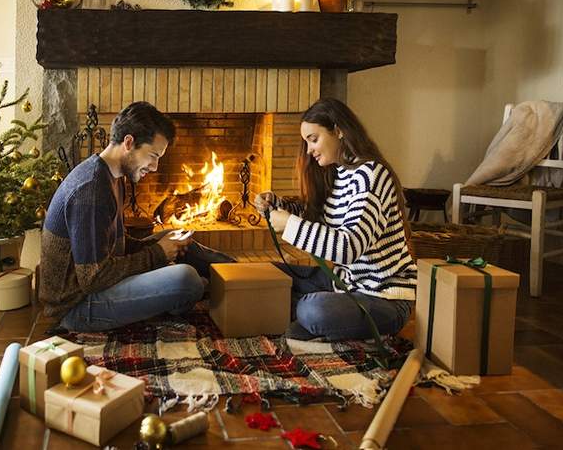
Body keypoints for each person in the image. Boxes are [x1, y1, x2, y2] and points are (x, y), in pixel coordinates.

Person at [40, 101, 231, 332]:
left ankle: (240, 277)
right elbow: (93, 278)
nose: (155, 167)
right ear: (129, 142)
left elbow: (114, 245)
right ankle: (195, 291)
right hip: (77, 307)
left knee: (174, 236)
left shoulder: (111, 175)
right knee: (186, 279)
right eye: (153, 155)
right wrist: (158, 253)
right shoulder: (91, 189)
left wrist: (159, 245)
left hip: (95, 288)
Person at [255, 99, 416, 341]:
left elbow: (348, 248)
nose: (308, 150)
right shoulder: (339, 174)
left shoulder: (371, 175)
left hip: (384, 298)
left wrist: (288, 225)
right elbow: (317, 217)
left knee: (312, 310)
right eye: (306, 142)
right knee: (265, 277)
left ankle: (306, 315)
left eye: (313, 139)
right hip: (344, 286)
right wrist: (278, 205)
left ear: (339, 130)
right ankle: (310, 319)